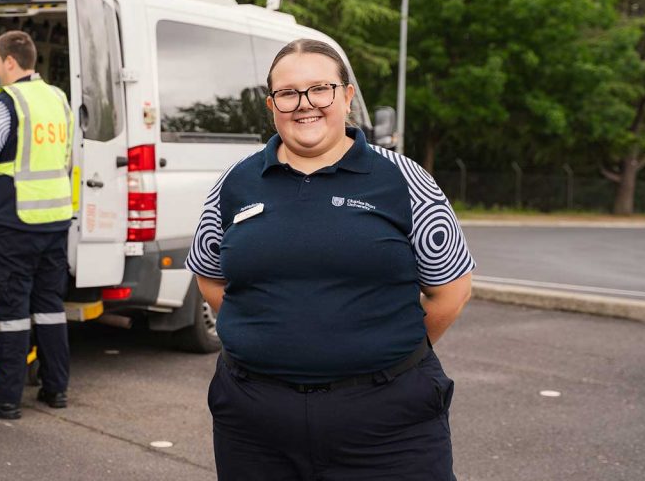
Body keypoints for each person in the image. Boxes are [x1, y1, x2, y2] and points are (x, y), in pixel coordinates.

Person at [186, 39, 474, 480]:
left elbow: (450, 292)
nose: (305, 105)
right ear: (271, 105)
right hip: (255, 426)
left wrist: (377, 350)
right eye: (288, 93)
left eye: (320, 89)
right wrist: (273, 332)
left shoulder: (406, 180)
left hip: (389, 425)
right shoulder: (234, 183)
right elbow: (212, 279)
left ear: (346, 96)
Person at [0, 31, 74, 419]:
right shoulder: (58, 98)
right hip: (54, 218)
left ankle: (5, 399)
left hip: (14, 222)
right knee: (50, 307)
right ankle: (55, 389)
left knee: (11, 311)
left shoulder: (3, 103)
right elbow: (65, 158)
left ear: (10, 61)